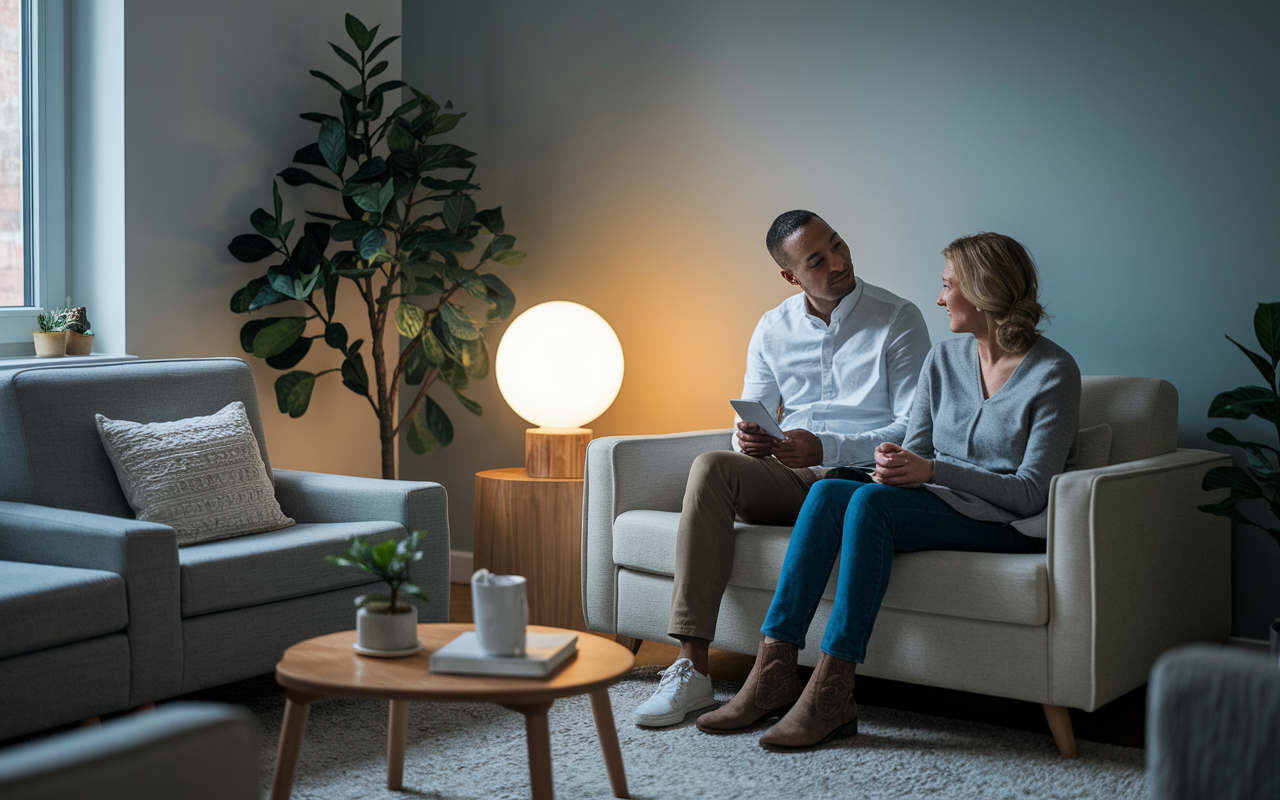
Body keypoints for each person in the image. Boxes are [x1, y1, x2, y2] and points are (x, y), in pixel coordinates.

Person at [694, 231, 1081, 750]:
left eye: (949, 287)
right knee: (832, 491)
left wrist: (931, 473)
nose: (940, 298)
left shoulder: (1053, 372)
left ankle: (833, 688)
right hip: (937, 503)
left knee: (871, 504)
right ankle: (775, 666)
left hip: (1003, 523)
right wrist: (890, 464)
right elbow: (915, 446)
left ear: (984, 290)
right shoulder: (945, 360)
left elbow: (1032, 492)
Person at [632, 210, 932, 727]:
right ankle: (691, 669)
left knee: (834, 485)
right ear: (791, 276)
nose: (839, 262)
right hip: (791, 475)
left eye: (838, 245)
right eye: (817, 260)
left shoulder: (897, 317)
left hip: (859, 479)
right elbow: (750, 410)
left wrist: (828, 447)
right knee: (711, 466)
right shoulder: (773, 327)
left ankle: (785, 676)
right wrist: (746, 437)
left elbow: (915, 430)